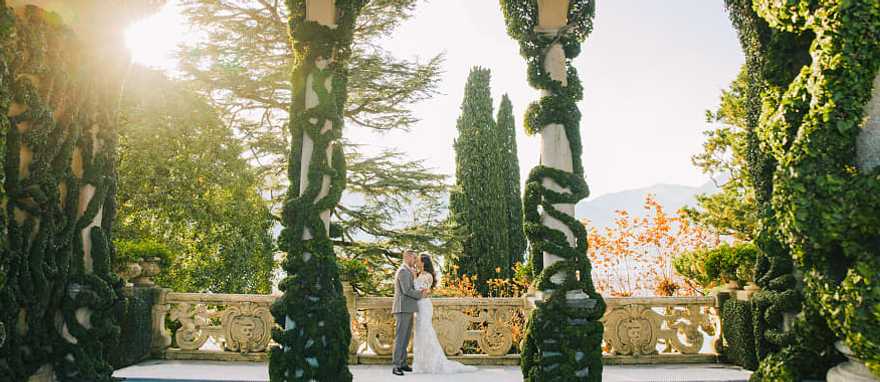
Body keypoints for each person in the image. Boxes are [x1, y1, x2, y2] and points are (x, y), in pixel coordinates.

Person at [411, 253, 477, 374]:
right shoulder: (420, 274)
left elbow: (419, 290)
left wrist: (414, 277)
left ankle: (434, 362)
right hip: (419, 306)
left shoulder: (427, 275)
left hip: (424, 306)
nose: (416, 262)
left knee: (426, 332)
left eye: (418, 260)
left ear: (424, 262)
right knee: (420, 333)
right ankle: (422, 363)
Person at [391, 250, 428, 376]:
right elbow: (406, 290)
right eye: (413, 258)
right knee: (400, 338)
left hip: (408, 308)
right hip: (402, 308)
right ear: (407, 257)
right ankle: (396, 365)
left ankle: (403, 363)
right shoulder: (402, 271)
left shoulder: (408, 271)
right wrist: (420, 294)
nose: (415, 261)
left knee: (406, 338)